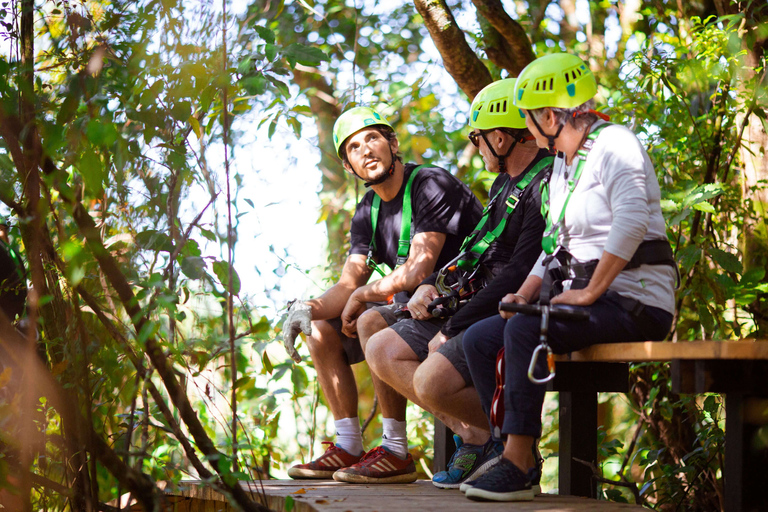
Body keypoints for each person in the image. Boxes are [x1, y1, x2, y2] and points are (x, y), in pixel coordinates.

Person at [461, 52, 677, 502]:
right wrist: (522, 294)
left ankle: (519, 466)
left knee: (525, 328)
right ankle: (509, 449)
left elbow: (633, 220)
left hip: (634, 301)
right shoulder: (564, 163)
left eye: (528, 119)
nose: (528, 128)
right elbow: (554, 246)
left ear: (547, 115)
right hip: (591, 301)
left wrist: (591, 290)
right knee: (482, 338)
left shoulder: (615, 144)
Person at [361, 78, 552, 489]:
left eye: (477, 138)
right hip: (468, 302)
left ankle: (513, 443)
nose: (477, 146)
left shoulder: (544, 183)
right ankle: (479, 437)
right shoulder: (504, 183)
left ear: (499, 137)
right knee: (380, 347)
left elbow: (520, 270)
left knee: (431, 380)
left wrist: (451, 328)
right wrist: (431, 284)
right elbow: (475, 248)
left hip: (500, 310)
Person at [281, 106, 483, 483]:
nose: (366, 150)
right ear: (349, 166)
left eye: (373, 138)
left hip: (464, 303)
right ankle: (347, 444)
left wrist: (361, 297)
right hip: (420, 309)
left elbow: (419, 269)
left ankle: (394, 449)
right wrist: (305, 308)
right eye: (354, 147)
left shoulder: (430, 183)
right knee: (320, 328)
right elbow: (347, 284)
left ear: (392, 143)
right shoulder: (367, 210)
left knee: (371, 318)